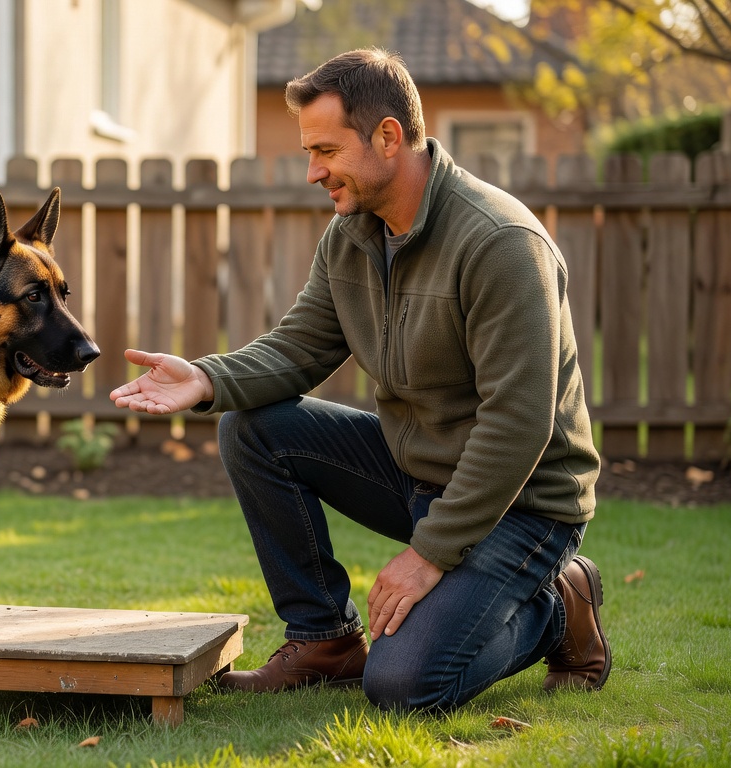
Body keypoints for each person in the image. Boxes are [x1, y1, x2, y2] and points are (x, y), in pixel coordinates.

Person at [110, 48, 608, 713]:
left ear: (389, 136)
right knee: (256, 430)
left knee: (405, 685)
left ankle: (558, 605)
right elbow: (299, 347)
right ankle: (325, 639)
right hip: (420, 472)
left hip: (522, 504)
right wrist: (204, 378)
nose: (313, 171)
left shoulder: (500, 243)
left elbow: (519, 424)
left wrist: (427, 554)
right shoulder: (352, 236)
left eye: (325, 150)